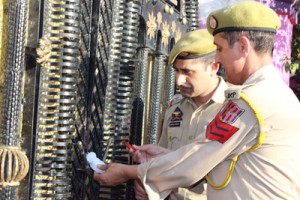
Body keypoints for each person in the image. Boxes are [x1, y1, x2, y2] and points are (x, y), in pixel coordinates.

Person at [94, 2, 300, 200]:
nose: (217, 60)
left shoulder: (251, 101)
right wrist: (166, 157)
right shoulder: (280, 95)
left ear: (243, 47)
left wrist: (129, 172)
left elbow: (194, 163)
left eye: (219, 49)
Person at [133, 29, 228, 200]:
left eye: (187, 72)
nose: (178, 80)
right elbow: (165, 162)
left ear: (213, 67)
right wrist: (147, 182)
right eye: (176, 71)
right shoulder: (175, 108)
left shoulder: (233, 108)